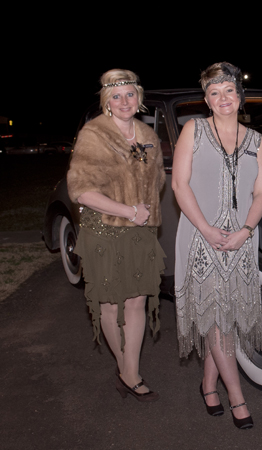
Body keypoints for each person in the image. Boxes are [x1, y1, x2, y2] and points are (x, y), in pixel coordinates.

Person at [172, 62, 262, 430]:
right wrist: (207, 230)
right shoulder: (193, 130)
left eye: (229, 90)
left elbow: (260, 192)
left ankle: (208, 384)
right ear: (206, 100)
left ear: (239, 96)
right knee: (215, 316)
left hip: (243, 239)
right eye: (214, 93)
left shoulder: (256, 140)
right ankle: (236, 396)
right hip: (201, 238)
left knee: (225, 315)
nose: (223, 98)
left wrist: (246, 229)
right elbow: (180, 186)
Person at [67, 69, 166, 401]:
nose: (124, 101)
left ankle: (129, 370)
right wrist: (129, 211)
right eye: (116, 95)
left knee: (136, 301)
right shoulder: (93, 134)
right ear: (106, 101)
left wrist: (146, 212)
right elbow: (80, 190)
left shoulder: (146, 132)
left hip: (140, 231)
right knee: (111, 305)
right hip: (105, 229)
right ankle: (128, 371)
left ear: (139, 97)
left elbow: (159, 180)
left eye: (130, 94)